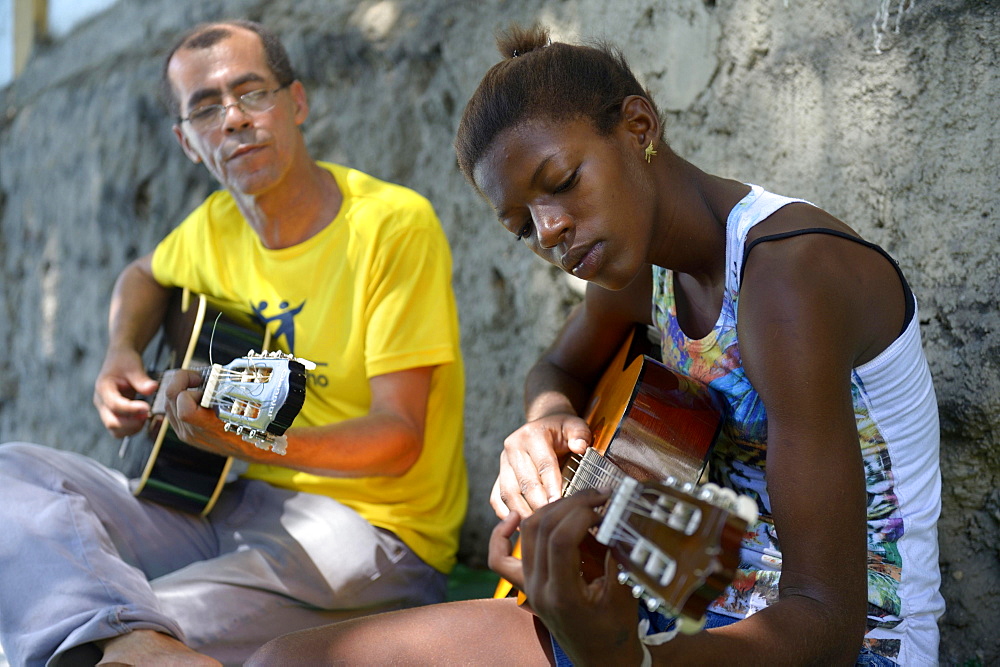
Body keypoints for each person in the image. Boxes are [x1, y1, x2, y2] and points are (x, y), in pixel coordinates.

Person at [247, 24, 943, 666]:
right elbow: (558, 367)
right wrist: (544, 423)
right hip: (675, 604)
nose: (549, 231)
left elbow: (827, 620)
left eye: (562, 183)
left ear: (638, 127)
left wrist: (624, 656)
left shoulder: (788, 281)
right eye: (523, 225)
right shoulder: (642, 271)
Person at [0, 19, 466, 666]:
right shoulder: (214, 227)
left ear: (295, 102)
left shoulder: (389, 226)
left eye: (253, 94)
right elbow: (141, 275)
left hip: (372, 533)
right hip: (226, 503)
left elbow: (399, 436)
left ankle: (130, 638)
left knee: (103, 620)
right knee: (12, 472)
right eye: (206, 108)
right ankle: (132, 638)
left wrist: (248, 439)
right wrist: (121, 352)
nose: (235, 120)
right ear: (187, 142)